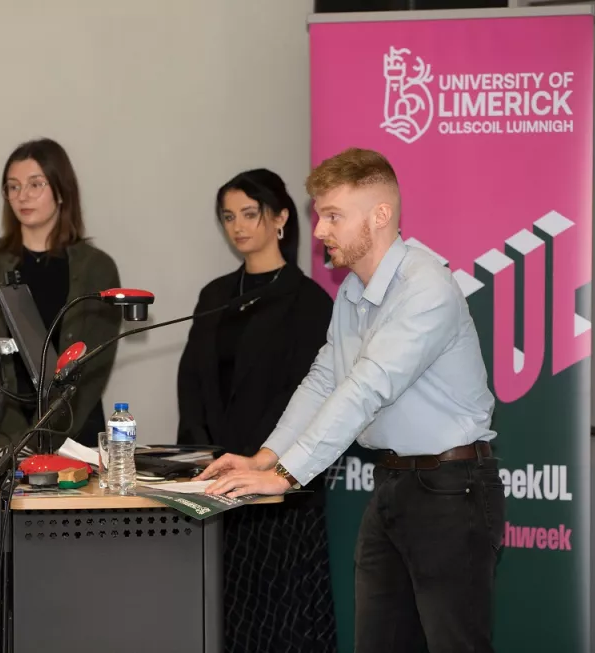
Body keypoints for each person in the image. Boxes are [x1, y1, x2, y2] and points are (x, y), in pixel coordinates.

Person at [198, 148, 504, 653]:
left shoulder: (425, 287)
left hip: (453, 491)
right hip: (393, 484)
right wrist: (266, 456)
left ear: (380, 216)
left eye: (334, 216)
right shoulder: (353, 292)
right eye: (320, 215)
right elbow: (325, 380)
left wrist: (285, 475)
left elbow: (366, 387)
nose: (318, 230)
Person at [177, 168, 337, 652]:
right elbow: (193, 381)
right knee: (218, 616)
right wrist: (200, 454)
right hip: (215, 478)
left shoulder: (308, 301)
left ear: (281, 217)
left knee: (277, 621)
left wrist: (262, 460)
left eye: (250, 214)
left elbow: (309, 396)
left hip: (278, 491)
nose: (239, 227)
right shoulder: (214, 295)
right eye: (229, 217)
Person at [0, 138, 121, 449]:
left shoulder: (98, 268)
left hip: (72, 432)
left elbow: (96, 362)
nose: (22, 196)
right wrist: (15, 434)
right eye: (12, 187)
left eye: (34, 184)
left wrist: (50, 433)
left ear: (60, 191)